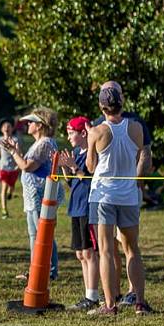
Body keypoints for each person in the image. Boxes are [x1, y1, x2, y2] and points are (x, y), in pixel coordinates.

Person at [87, 84, 150, 316]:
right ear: (121, 103)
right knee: (132, 250)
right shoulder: (136, 128)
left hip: (104, 196)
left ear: (102, 106)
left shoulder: (96, 131)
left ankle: (110, 305)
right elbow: (137, 155)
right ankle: (139, 303)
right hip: (128, 195)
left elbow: (91, 166)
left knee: (105, 251)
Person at [1, 107, 61, 281]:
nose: (27, 124)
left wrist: (13, 153)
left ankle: (49, 271)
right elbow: (28, 163)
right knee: (34, 234)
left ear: (40, 125)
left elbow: (28, 166)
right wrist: (17, 151)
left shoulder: (45, 143)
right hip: (33, 195)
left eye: (31, 122)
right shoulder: (40, 142)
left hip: (40, 195)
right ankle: (36, 269)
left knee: (43, 233)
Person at [58, 116, 100, 311]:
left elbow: (89, 180)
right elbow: (72, 182)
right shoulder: (75, 152)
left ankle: (93, 296)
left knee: (89, 252)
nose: (69, 138)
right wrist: (65, 167)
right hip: (75, 206)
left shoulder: (91, 154)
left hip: (87, 207)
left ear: (83, 133)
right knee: (80, 254)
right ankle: (88, 294)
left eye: (71, 133)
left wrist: (74, 166)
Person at [0, 118, 20, 218]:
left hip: (13, 168)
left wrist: (19, 163)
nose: (6, 128)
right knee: (4, 188)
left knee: (12, 187)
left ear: (12, 129)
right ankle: (4, 210)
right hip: (3, 167)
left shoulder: (15, 140)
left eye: (9, 126)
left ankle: (10, 193)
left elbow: (19, 152)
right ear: (1, 129)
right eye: (4, 126)